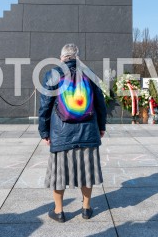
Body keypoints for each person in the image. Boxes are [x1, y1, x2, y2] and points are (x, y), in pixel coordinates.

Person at [38, 43, 107, 223]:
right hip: (88, 132)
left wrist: (44, 131)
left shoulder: (52, 74)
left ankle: (59, 211)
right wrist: (101, 127)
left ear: (61, 57)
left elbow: (45, 106)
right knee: (87, 172)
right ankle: (86, 209)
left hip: (61, 134)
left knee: (59, 174)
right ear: (77, 57)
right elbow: (100, 104)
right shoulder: (90, 74)